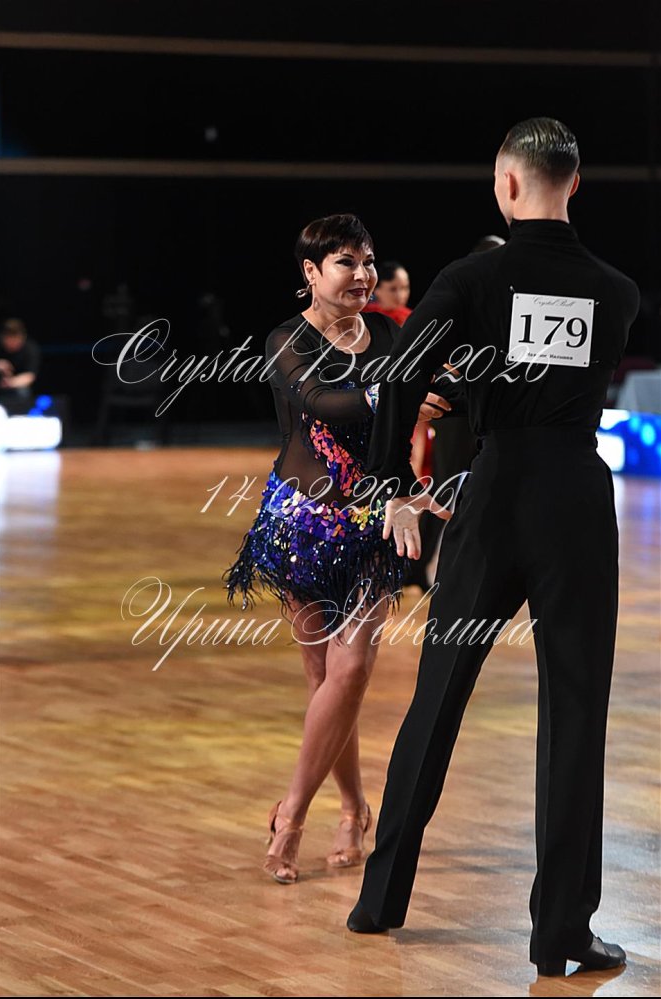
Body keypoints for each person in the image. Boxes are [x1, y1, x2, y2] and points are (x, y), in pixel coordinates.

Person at [345, 118, 640, 978]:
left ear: (508, 185)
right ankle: (562, 935)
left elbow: (398, 372)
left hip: (495, 495)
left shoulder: (472, 279)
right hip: (576, 502)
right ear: (574, 185)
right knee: (576, 713)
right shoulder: (617, 292)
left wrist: (389, 484)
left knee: (437, 695)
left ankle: (379, 899)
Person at [223, 214, 451, 885]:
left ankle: (291, 815)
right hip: (303, 523)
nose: (362, 275)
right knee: (324, 679)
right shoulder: (286, 340)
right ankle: (353, 808)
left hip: (375, 519)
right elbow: (326, 401)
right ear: (311, 272)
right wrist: (402, 393)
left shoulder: (392, 332)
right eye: (346, 262)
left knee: (351, 671)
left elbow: (446, 385)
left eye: (368, 261)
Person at [408, 234, 506, 593]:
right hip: (457, 412)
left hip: (495, 415)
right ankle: (417, 566)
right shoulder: (456, 300)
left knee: (488, 489)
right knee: (446, 487)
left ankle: (472, 571)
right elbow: (427, 353)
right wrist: (453, 378)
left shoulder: (506, 306)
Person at [0, 318, 41, 412]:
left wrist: (10, 382)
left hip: (15, 385)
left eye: (15, 339)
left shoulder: (30, 349)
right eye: (9, 339)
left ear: (22, 338)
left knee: (23, 391)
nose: (12, 343)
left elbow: (29, 376)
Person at [363, 260, 412, 326]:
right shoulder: (363, 314)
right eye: (393, 289)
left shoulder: (411, 318)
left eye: (405, 288)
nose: (400, 295)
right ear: (376, 289)